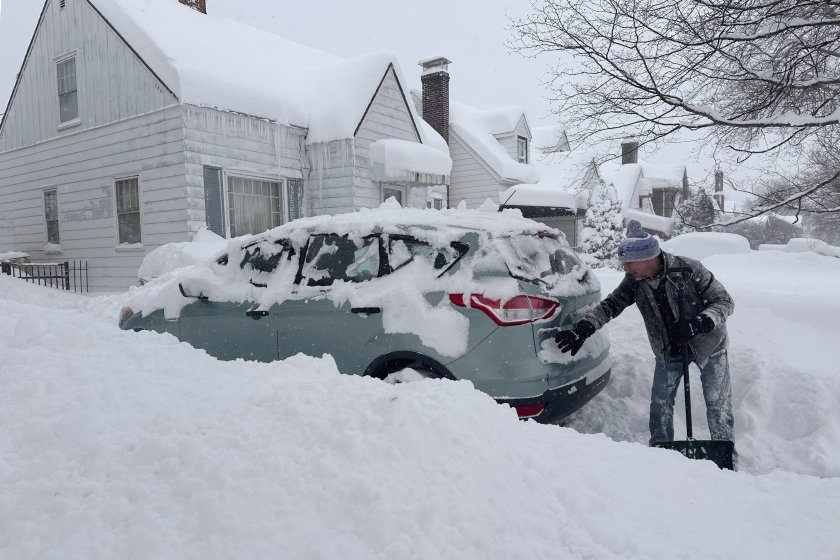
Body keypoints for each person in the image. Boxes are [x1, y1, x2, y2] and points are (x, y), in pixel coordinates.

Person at [555, 220, 735, 446]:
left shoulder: (689, 270)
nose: (626, 269)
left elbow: (725, 301)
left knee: (718, 404)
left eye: (629, 263)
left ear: (649, 258)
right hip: (668, 348)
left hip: (709, 344)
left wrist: (700, 322)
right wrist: (584, 329)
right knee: (661, 405)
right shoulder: (635, 281)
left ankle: (725, 453)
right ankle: (660, 451)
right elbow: (611, 305)